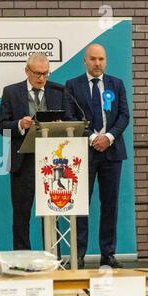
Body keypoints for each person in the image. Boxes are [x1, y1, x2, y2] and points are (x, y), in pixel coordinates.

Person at [65, 44, 130, 268]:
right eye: (93, 59)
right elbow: (70, 116)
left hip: (112, 153)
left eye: (101, 59)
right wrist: (93, 138)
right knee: (81, 205)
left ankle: (108, 254)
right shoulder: (72, 85)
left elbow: (124, 116)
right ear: (85, 60)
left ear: (106, 60)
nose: (97, 63)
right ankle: (79, 254)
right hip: (84, 153)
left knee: (109, 204)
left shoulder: (116, 84)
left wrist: (109, 137)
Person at [0, 53, 70, 250]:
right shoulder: (11, 92)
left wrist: (61, 125)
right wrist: (20, 124)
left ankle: (53, 255)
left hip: (52, 162)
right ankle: (22, 256)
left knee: (52, 212)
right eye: (37, 73)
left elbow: (70, 120)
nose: (42, 78)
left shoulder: (58, 91)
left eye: (45, 74)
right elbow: (2, 127)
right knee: (21, 215)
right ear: (27, 71)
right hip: (24, 162)